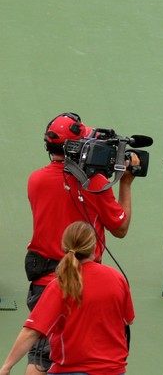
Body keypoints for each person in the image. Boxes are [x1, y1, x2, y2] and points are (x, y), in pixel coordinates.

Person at [24, 112, 139, 374]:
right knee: (81, 357)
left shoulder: (36, 180)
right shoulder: (95, 184)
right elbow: (120, 228)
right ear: (76, 147)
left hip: (43, 281)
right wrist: (126, 182)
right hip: (83, 284)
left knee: (40, 356)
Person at [0, 221, 135, 375]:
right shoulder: (117, 278)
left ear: (64, 247)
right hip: (114, 370)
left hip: (70, 370)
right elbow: (128, 320)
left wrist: (6, 366)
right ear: (94, 246)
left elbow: (31, 332)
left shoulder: (60, 285)